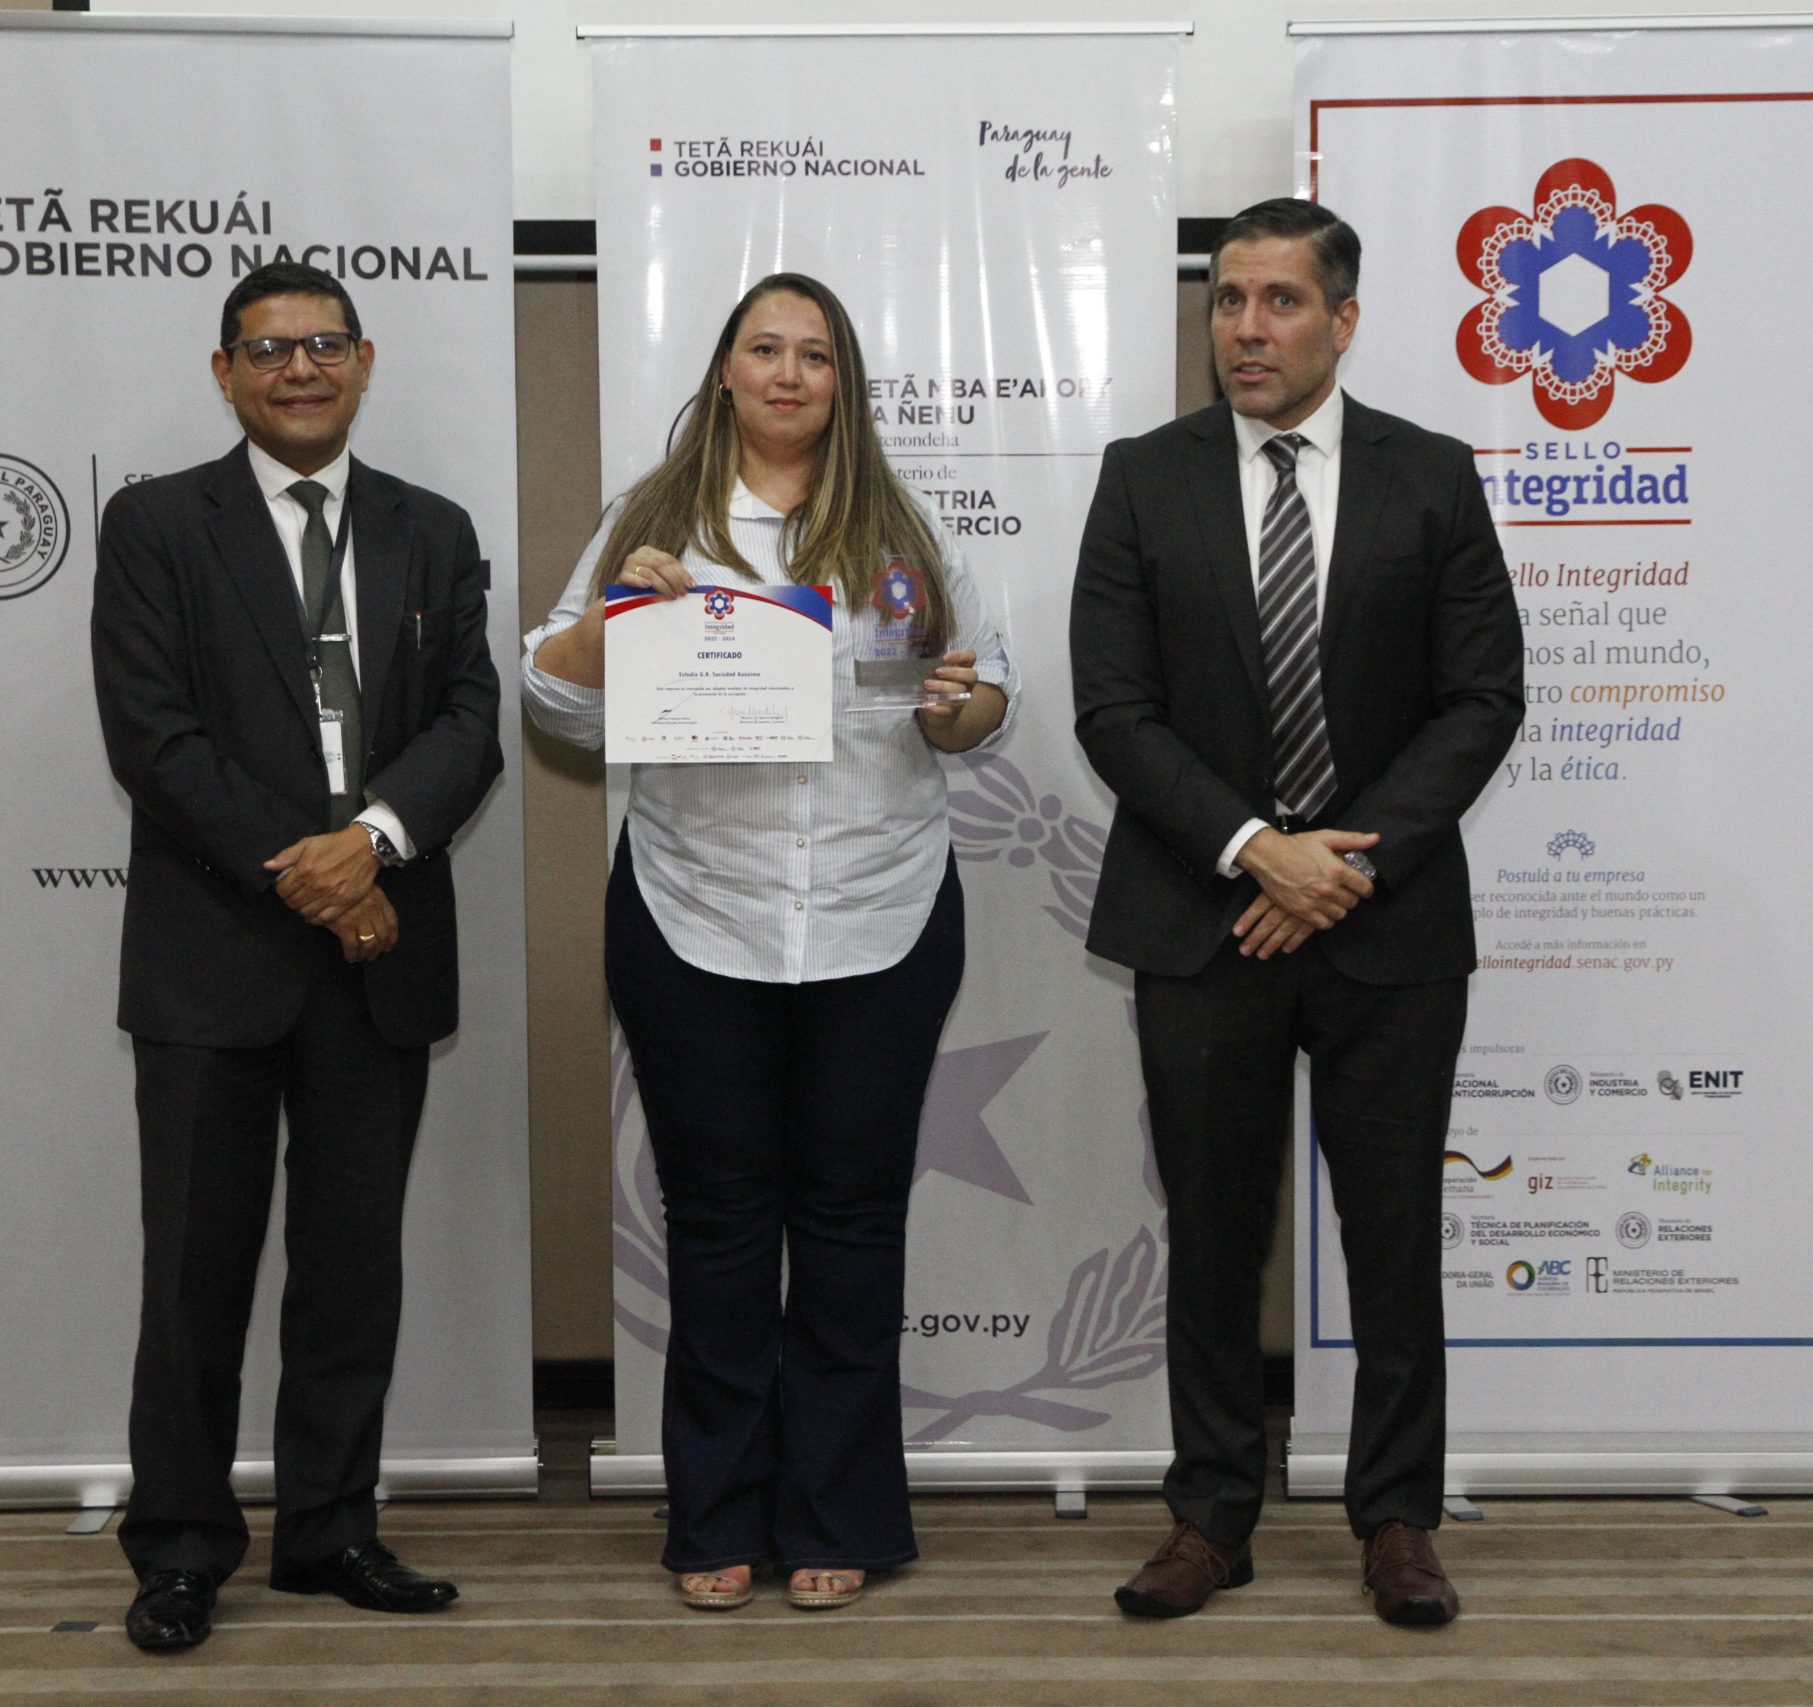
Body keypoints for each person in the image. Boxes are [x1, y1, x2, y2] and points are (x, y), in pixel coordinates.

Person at [524, 273, 1016, 1611]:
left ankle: (837, 1513)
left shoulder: (905, 527)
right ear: (726, 373)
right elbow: (552, 703)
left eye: (815, 354)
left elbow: (985, 700)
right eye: (765, 350)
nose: (789, 375)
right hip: (696, 912)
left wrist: (957, 708)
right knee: (721, 1224)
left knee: (853, 1226)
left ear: (843, 381)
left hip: (879, 909)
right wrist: (613, 621)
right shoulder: (654, 519)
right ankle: (717, 1516)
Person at [1070, 199, 1523, 1625]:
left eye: (1279, 301)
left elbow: (1480, 699)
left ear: (1343, 320)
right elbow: (1114, 710)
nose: (1247, 329)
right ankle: (1211, 1516)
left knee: (1392, 1239)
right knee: (1212, 1238)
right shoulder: (1143, 478)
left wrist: (1341, 868)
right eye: (1227, 301)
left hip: (1388, 925)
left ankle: (1396, 1520)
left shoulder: (1431, 476)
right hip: (1203, 919)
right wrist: (1260, 851)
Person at [90, 260, 503, 1653]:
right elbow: (155, 741)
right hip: (215, 957)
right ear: (226, 375)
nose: (300, 369)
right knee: (193, 1275)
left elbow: (469, 722)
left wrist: (372, 843)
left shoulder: (432, 529)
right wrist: (321, 882)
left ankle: (330, 1530)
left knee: (350, 1271)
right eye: (268, 351)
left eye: (325, 344)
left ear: (363, 361)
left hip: (381, 956)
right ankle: (181, 1549)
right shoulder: (157, 525)